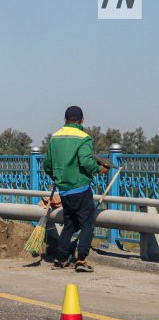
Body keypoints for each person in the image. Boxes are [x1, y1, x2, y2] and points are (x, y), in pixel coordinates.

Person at [43, 105, 108, 272]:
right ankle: (81, 259)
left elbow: (47, 165)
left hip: (64, 189)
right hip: (80, 188)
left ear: (65, 119)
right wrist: (99, 169)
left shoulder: (55, 138)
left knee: (70, 224)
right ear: (82, 120)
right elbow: (86, 161)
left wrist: (57, 178)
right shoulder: (84, 138)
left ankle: (61, 258)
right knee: (87, 224)